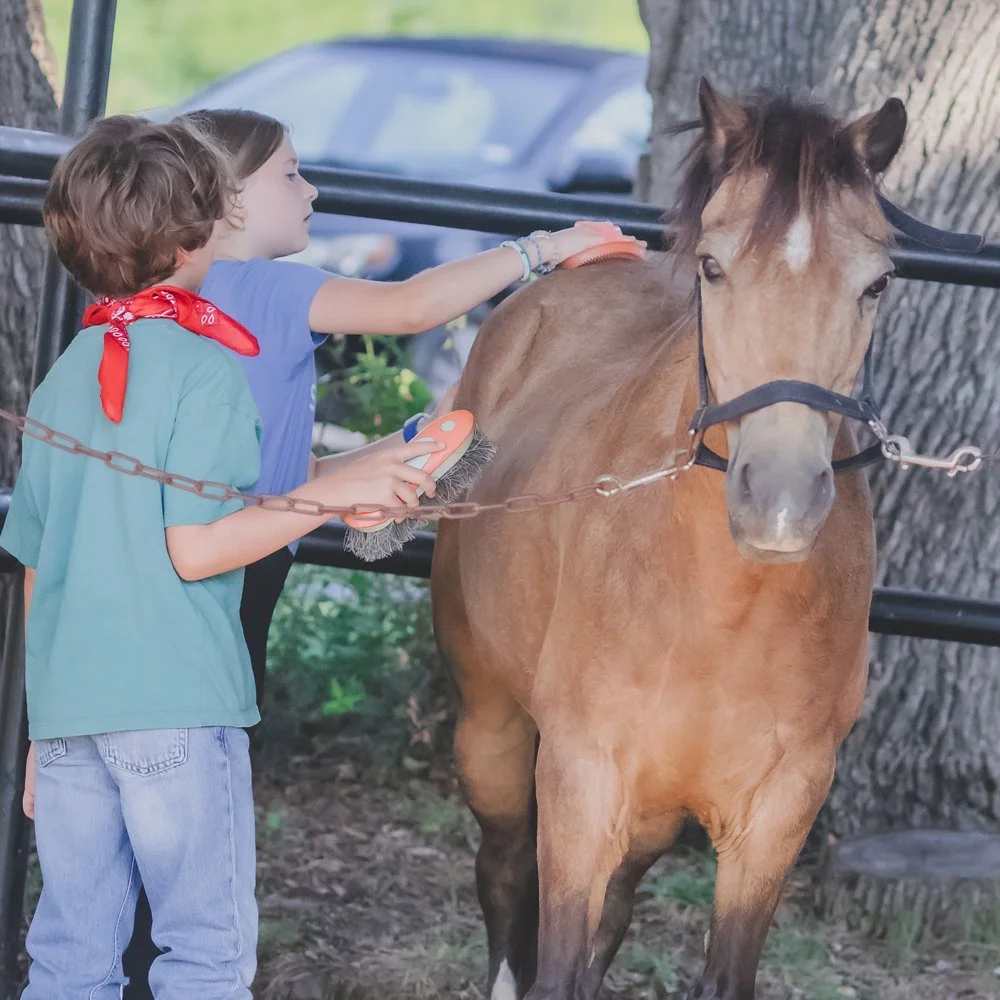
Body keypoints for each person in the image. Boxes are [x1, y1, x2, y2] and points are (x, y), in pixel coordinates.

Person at [2, 114, 440, 1000]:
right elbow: (199, 548)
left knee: (69, 957)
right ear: (200, 232)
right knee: (204, 955)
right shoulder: (205, 368)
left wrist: (38, 740)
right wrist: (323, 497)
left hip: (72, 716)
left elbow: (34, 567)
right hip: (178, 705)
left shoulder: (66, 370)